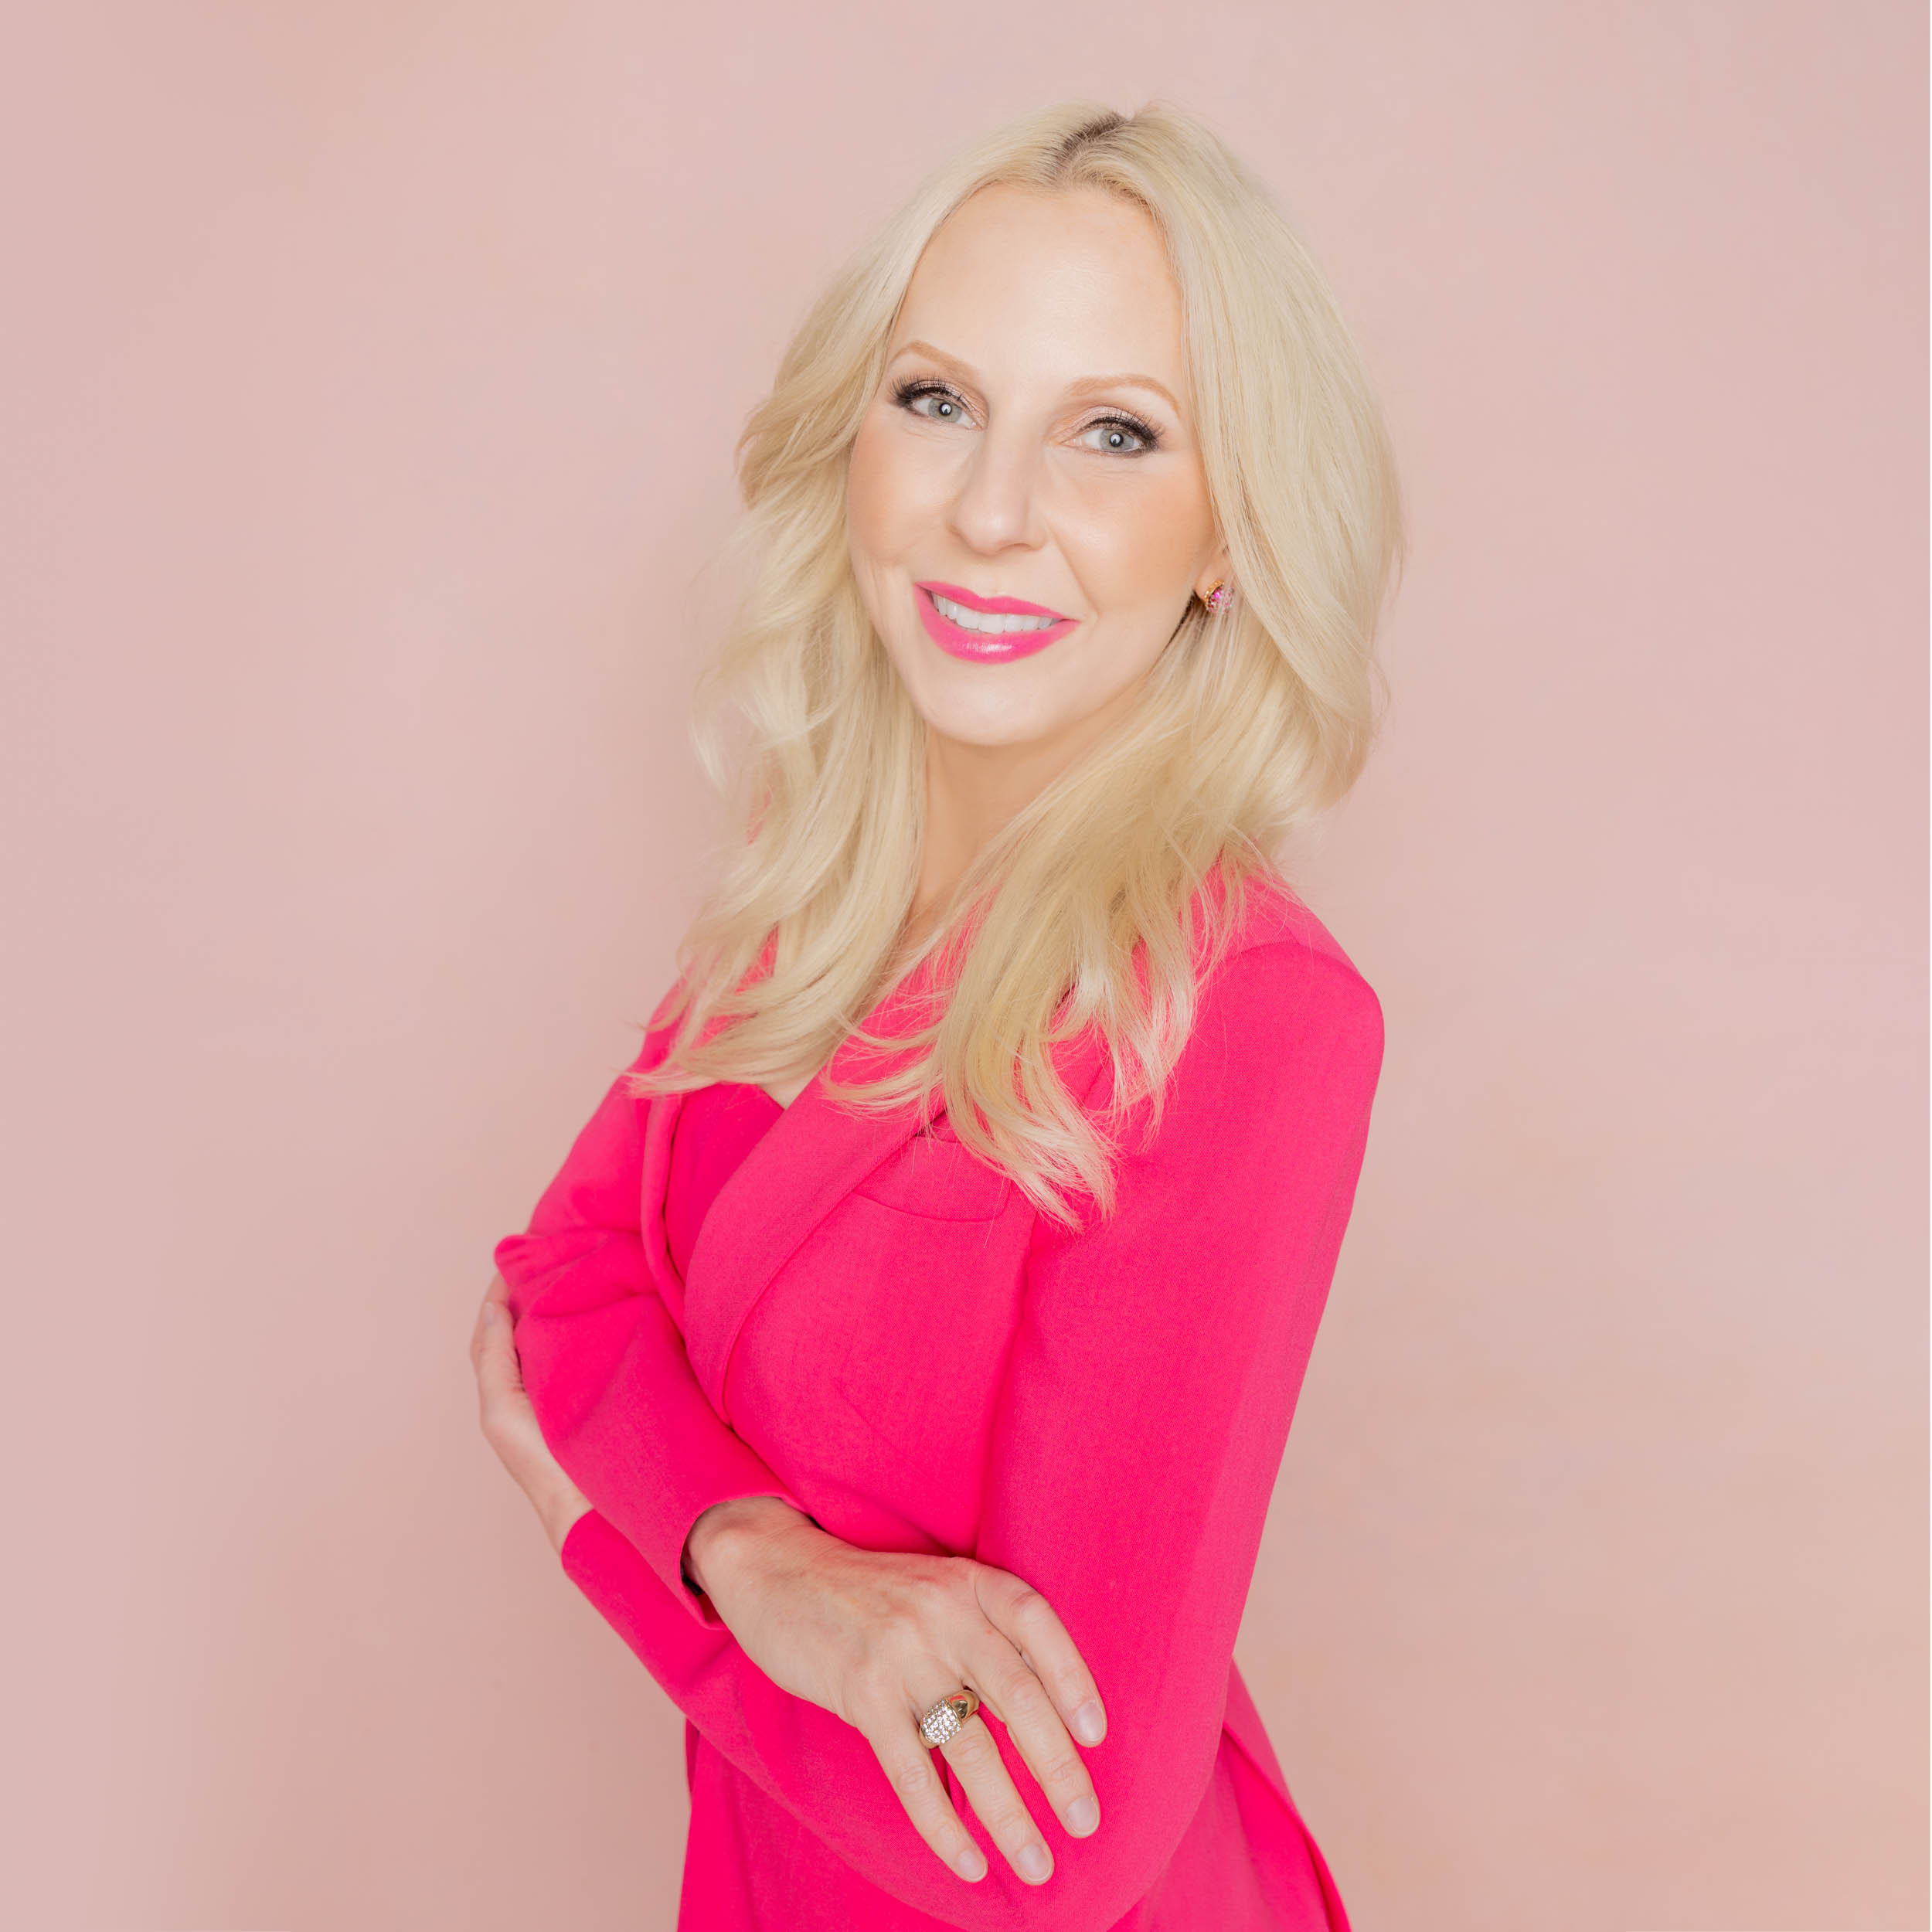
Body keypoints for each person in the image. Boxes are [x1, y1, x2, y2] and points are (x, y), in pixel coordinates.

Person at [470, 97, 1403, 1931]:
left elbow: (1052, 1844)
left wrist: (616, 1535)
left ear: (1227, 533)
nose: (989, 510)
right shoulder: (820, 887)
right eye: (936, 399)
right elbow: (559, 1284)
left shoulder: (1243, 1010)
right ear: (856, 441)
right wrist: (760, 1564)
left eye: (1113, 433)